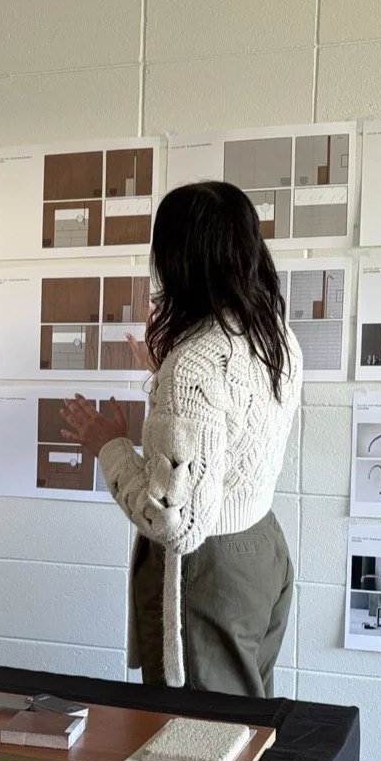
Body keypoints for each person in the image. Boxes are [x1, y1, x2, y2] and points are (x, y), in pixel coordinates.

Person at [61, 182, 302, 698]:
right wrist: (165, 373)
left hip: (209, 571)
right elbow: (231, 427)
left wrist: (109, 444)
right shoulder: (273, 335)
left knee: (198, 742)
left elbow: (177, 522)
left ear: (177, 260)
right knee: (244, 730)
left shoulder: (192, 365)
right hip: (262, 552)